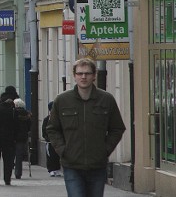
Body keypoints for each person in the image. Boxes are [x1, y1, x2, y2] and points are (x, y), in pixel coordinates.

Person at [47, 58, 126, 197]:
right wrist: (63, 150)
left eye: (88, 73)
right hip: (72, 165)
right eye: (80, 73)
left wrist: (105, 149)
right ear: (75, 76)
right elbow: (52, 128)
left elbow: (117, 128)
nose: (83, 77)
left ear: (94, 75)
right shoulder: (62, 100)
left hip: (97, 165)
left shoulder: (106, 99)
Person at [13, 98, 31, 179]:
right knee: (19, 156)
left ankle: (10, 170)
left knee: (11, 155)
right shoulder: (27, 114)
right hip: (22, 137)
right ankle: (18, 173)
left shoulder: (13, 113)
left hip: (13, 136)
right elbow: (29, 127)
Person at [42, 101, 62, 177]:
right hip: (50, 141)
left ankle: (57, 169)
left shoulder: (59, 118)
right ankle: (51, 169)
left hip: (57, 140)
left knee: (57, 155)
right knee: (50, 155)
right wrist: (47, 138)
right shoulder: (47, 119)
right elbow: (44, 130)